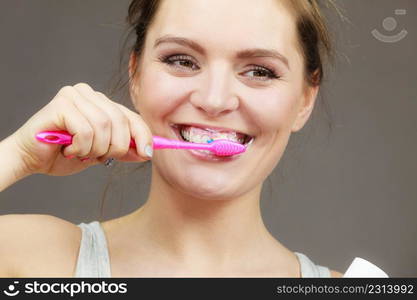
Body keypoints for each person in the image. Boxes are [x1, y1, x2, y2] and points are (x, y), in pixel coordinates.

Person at [0, 0, 344, 277]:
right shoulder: (24, 257)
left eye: (259, 71)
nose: (214, 99)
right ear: (135, 75)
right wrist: (15, 156)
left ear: (304, 99)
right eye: (182, 61)